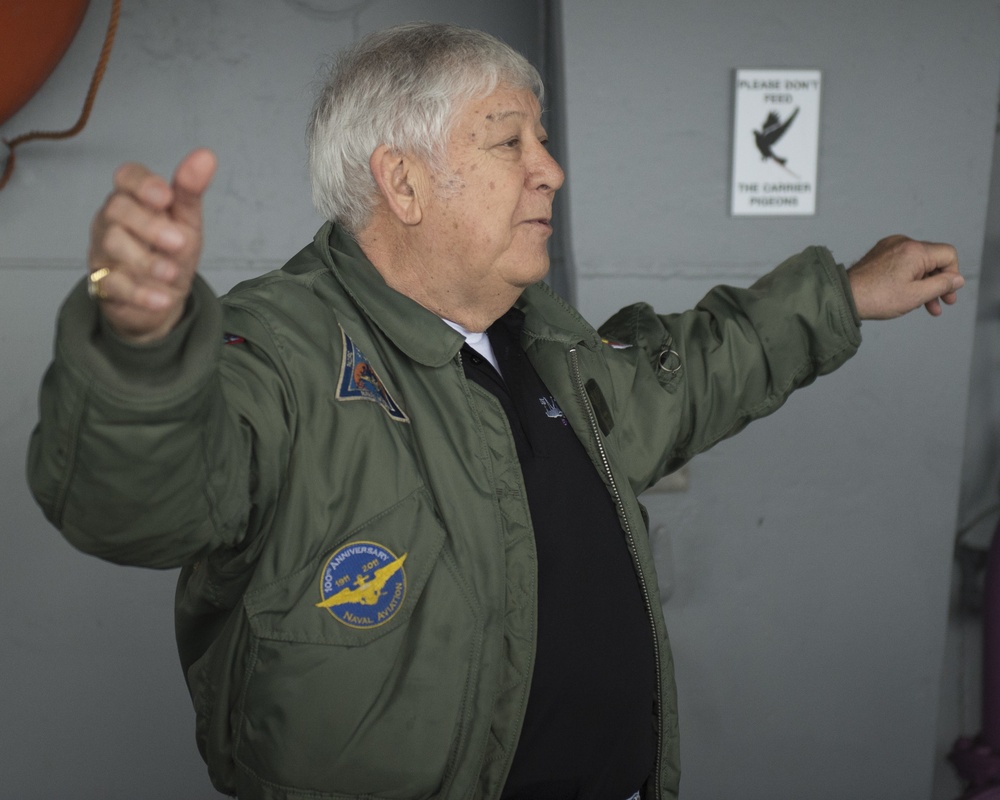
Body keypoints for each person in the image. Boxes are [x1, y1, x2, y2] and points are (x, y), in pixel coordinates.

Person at [27, 22, 963, 800]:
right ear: (402, 183)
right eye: (510, 140)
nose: (550, 169)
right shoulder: (278, 349)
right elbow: (142, 504)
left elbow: (691, 375)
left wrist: (842, 294)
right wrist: (140, 352)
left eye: (541, 140)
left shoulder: (540, 337)